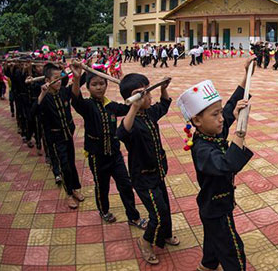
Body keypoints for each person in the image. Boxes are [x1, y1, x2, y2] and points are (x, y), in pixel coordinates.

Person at [176, 60, 253, 271]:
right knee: (232, 250)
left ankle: (207, 265)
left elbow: (230, 107)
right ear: (197, 121)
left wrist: (246, 75)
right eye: (215, 114)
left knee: (213, 241)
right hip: (216, 208)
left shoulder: (212, 130)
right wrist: (240, 132)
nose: (221, 119)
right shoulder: (201, 149)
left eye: (219, 113)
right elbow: (228, 165)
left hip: (214, 204)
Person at [69, 62, 148, 228]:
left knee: (126, 185)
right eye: (94, 84)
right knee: (102, 187)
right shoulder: (87, 106)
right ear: (88, 87)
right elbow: (75, 99)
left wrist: (138, 96)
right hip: (96, 156)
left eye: (101, 83)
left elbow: (128, 108)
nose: (99, 87)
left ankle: (133, 217)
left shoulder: (110, 106)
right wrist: (77, 79)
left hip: (115, 155)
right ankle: (104, 211)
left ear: (106, 84)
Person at [117, 73, 179, 265]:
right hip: (143, 178)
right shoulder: (131, 120)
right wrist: (134, 106)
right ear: (131, 99)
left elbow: (165, 104)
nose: (147, 97)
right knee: (158, 213)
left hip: (158, 171)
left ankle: (165, 235)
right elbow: (122, 133)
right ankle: (145, 242)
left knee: (165, 207)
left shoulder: (149, 113)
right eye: (141, 94)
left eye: (148, 92)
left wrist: (163, 88)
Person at [38, 63, 84, 209]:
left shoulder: (63, 92)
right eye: (55, 79)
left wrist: (77, 78)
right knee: (64, 166)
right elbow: (34, 111)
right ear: (47, 80)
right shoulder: (44, 97)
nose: (59, 82)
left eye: (60, 79)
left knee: (71, 163)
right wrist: (41, 94)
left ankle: (75, 189)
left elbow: (75, 91)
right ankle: (69, 194)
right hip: (55, 139)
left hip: (68, 134)